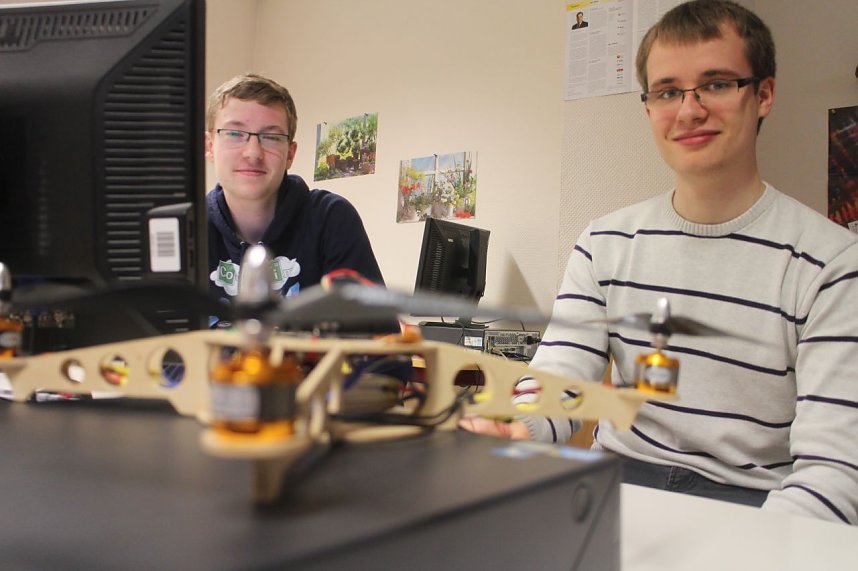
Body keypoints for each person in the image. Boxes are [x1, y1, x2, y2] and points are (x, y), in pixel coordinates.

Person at [462, 0, 858, 525]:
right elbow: (562, 375)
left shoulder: (831, 264)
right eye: (668, 91)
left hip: (756, 505)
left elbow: (834, 474)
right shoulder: (604, 242)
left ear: (763, 94)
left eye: (717, 84)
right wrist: (520, 426)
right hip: (617, 488)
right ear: (648, 107)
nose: (689, 111)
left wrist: (755, 548)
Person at [205, 73, 385, 305]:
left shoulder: (330, 218)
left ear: (290, 154)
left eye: (271, 137)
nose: (253, 153)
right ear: (209, 146)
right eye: (234, 134)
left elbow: (372, 325)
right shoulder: (187, 228)